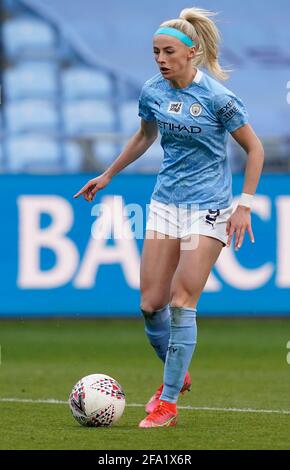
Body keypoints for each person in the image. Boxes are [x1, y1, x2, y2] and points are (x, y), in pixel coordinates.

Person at [74, 7, 264, 428]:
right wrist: (107, 174)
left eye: (168, 51)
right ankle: (179, 368)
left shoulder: (218, 98)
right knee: (150, 304)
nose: (160, 59)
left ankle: (169, 402)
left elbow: (255, 149)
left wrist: (244, 204)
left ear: (192, 53)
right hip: (164, 205)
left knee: (182, 301)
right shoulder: (153, 91)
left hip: (209, 209)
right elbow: (145, 135)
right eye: (155, 51)